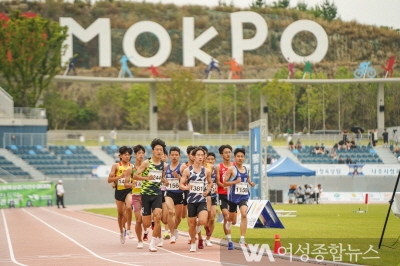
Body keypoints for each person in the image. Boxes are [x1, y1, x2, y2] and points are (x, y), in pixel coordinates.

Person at [132, 138, 169, 252]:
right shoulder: (147, 162)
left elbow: (161, 177)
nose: (159, 152)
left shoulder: (163, 164)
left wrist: (164, 181)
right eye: (157, 149)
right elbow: (135, 176)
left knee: (158, 216)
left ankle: (152, 243)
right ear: (153, 151)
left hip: (157, 194)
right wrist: (146, 178)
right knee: (146, 223)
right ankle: (147, 229)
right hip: (146, 194)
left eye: (161, 150)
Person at [179, 147, 212, 252]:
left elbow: (210, 182)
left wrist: (207, 190)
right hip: (191, 201)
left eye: (202, 155)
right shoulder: (187, 170)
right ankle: (193, 243)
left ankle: (199, 227)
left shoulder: (206, 171)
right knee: (192, 224)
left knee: (202, 220)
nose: (200, 157)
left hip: (202, 199)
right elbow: (181, 184)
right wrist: (186, 188)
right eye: (198, 155)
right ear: (193, 157)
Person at [224, 148, 255, 247]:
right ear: (235, 157)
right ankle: (228, 221)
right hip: (233, 198)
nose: (240, 158)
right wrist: (234, 182)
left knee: (244, 214)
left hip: (244, 196)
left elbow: (247, 178)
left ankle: (242, 239)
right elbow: (224, 182)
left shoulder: (247, 169)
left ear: (244, 158)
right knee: (232, 220)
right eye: (238, 156)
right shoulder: (231, 169)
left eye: (242, 156)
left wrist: (250, 182)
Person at [107, 146, 136, 244]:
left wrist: (133, 183)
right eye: (125, 155)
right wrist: (119, 177)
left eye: (128, 155)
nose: (127, 156)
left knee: (128, 207)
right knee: (120, 214)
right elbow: (109, 180)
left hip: (128, 190)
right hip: (119, 192)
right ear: (120, 156)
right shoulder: (116, 166)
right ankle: (121, 232)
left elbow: (135, 177)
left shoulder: (132, 167)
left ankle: (129, 229)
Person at [164, 146, 187, 244]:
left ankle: (175, 229)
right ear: (169, 156)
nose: (174, 157)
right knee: (170, 212)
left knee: (178, 217)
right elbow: (162, 178)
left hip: (180, 194)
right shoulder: (166, 167)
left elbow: (186, 180)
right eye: (172, 155)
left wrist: (179, 177)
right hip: (169, 193)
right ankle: (172, 235)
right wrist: (164, 181)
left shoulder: (182, 167)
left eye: (176, 155)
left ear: (179, 156)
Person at [215, 144, 236, 250]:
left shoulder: (235, 165)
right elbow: (218, 181)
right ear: (221, 154)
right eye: (226, 152)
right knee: (226, 216)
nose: (228, 154)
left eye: (229, 152)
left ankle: (229, 223)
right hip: (223, 194)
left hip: (234, 195)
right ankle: (229, 241)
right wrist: (225, 186)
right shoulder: (219, 167)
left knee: (233, 220)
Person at [130, 145, 146, 248]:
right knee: (138, 220)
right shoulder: (131, 169)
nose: (141, 155)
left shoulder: (147, 166)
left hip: (146, 195)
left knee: (146, 220)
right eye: (139, 153)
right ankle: (140, 240)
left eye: (142, 153)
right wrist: (132, 184)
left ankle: (146, 231)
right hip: (135, 196)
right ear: (135, 155)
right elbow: (126, 183)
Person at [205, 152, 217, 247]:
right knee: (204, 219)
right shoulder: (203, 170)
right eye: (208, 159)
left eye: (212, 159)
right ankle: (200, 236)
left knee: (212, 218)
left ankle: (208, 239)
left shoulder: (216, 170)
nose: (210, 161)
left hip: (213, 196)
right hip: (203, 197)